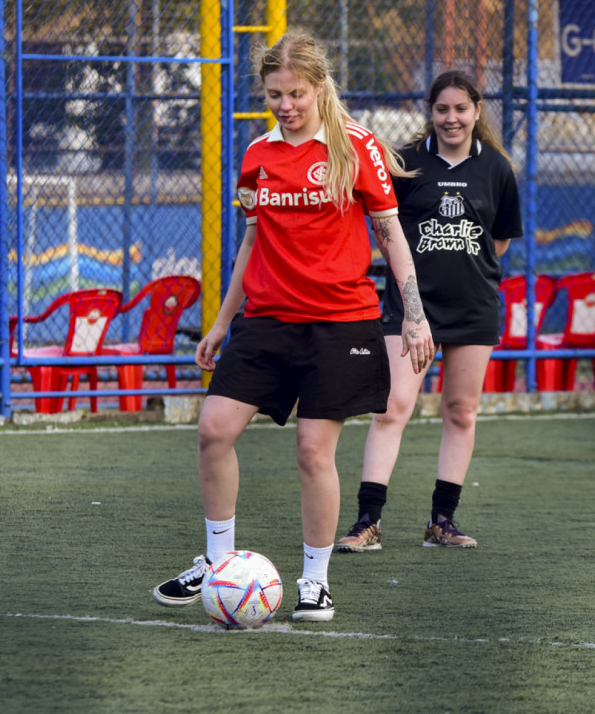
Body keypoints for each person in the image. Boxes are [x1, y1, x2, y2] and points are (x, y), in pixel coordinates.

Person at [151, 30, 434, 622]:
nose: (285, 105)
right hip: (267, 322)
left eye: (296, 93)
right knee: (213, 430)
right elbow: (252, 241)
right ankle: (218, 563)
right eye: (275, 94)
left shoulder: (356, 150)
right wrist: (222, 322)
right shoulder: (257, 156)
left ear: (319, 86)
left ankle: (315, 580)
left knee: (312, 450)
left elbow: (391, 236)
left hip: (340, 324)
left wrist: (413, 315)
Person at [335, 70, 523, 553]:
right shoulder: (404, 163)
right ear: (431, 112)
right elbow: (384, 229)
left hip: (474, 308)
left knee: (461, 412)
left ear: (477, 111)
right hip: (411, 309)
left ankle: (443, 521)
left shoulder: (497, 169)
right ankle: (367, 523)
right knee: (393, 407)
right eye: (443, 109)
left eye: (461, 109)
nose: (452, 118)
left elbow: (498, 240)